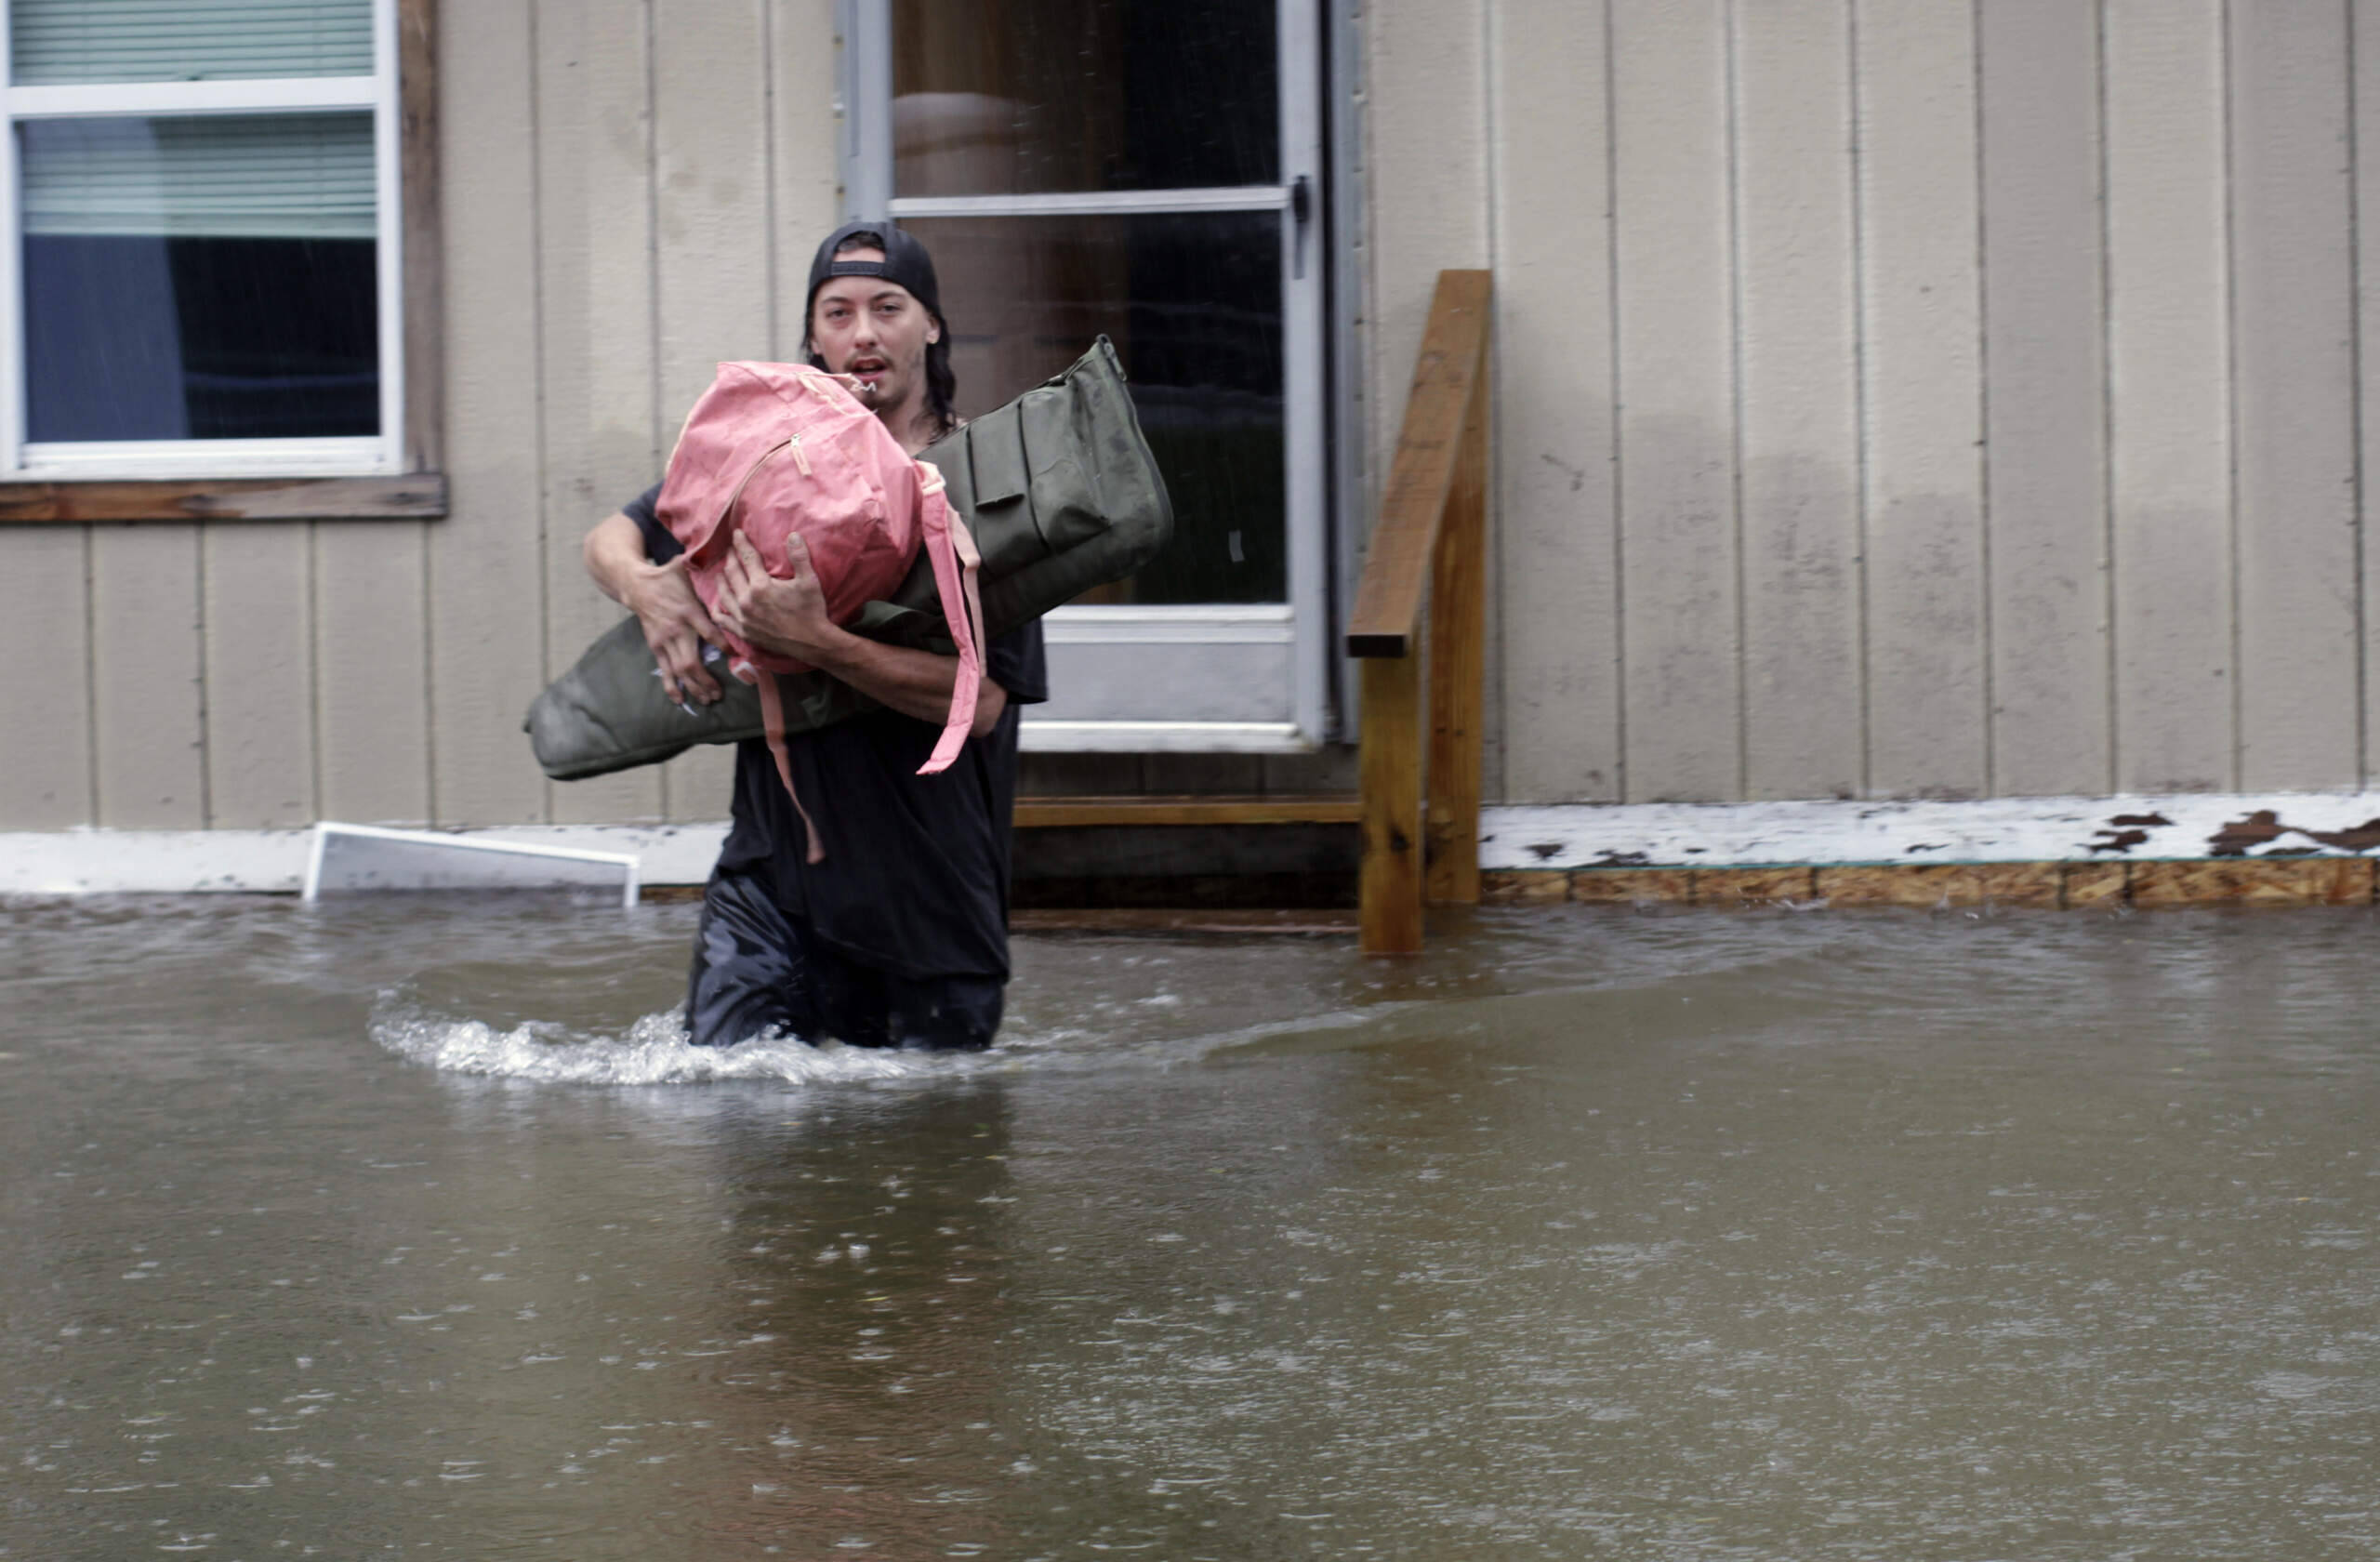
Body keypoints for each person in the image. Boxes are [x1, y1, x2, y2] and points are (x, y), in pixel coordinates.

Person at [582, 221, 1047, 1052]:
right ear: (813, 336)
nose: (862, 333)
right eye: (837, 313)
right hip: (769, 889)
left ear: (932, 325)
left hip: (927, 909)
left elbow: (979, 708)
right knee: (727, 1115)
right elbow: (610, 538)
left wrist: (822, 642)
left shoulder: (988, 490)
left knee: (933, 1160)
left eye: (887, 307)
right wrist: (647, 591)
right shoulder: (767, 464)